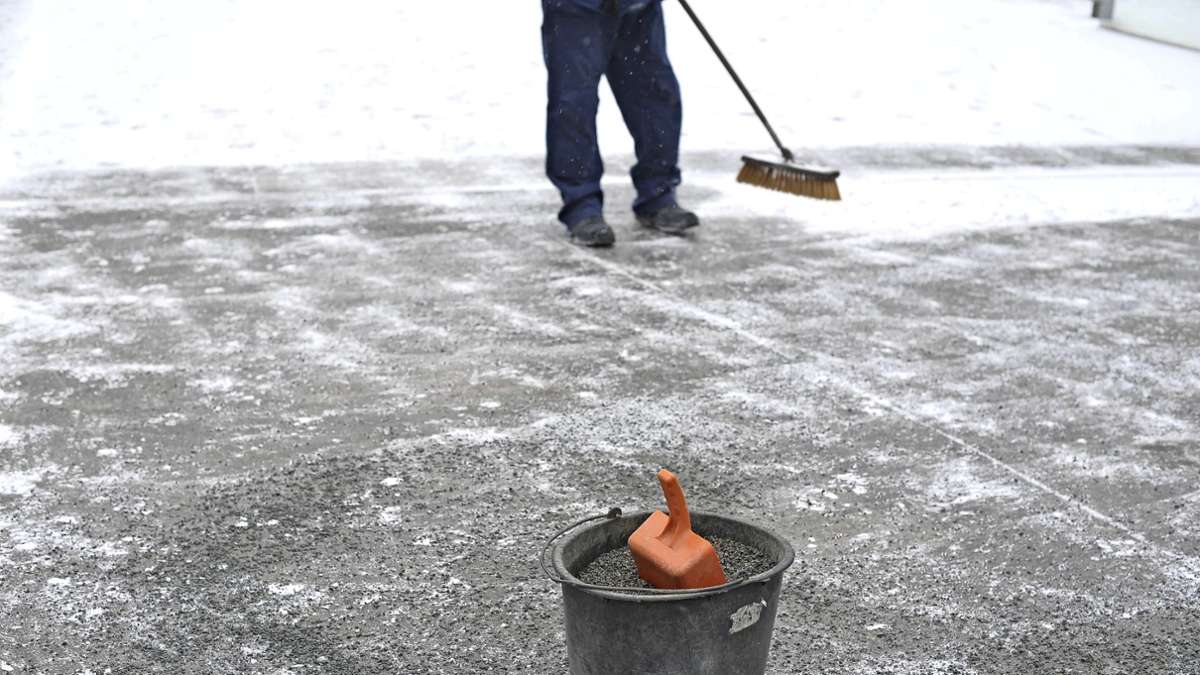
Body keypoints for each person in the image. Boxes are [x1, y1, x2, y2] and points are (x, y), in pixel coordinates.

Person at [542, 0, 701, 247]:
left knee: (655, 94)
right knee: (574, 103)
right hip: (577, 8)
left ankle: (658, 193)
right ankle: (581, 206)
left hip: (638, 6)